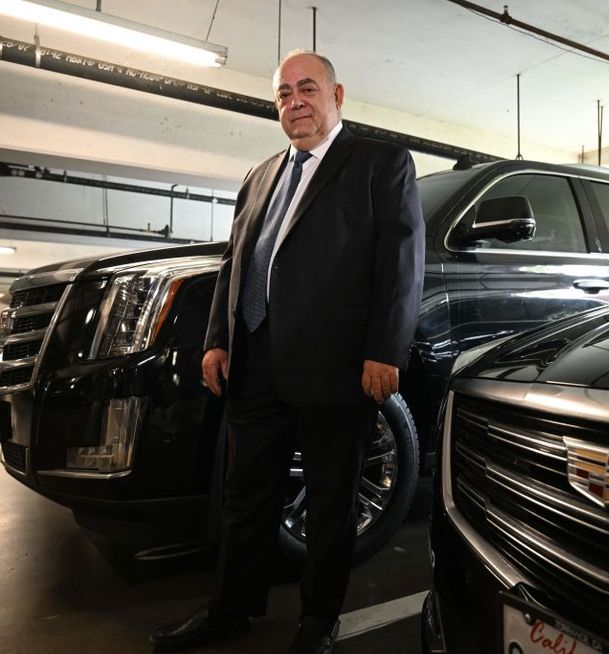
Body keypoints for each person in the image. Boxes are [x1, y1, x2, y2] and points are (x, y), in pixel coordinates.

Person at [150, 50, 425, 654]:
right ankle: (231, 608)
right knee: (245, 494)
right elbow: (236, 261)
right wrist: (219, 339)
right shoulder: (261, 174)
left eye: (307, 88)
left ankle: (316, 622)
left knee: (331, 499)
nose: (294, 101)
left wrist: (386, 349)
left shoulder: (380, 163)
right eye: (282, 94)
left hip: (337, 362)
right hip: (255, 357)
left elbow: (401, 262)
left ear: (338, 95)